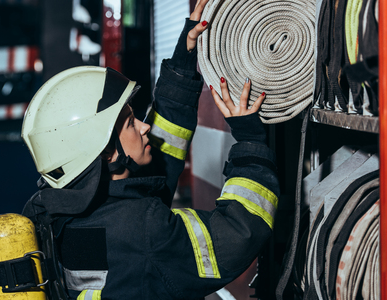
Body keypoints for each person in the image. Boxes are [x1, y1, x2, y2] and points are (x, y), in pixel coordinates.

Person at [21, 0, 279, 299]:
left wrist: (183, 59)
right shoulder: (141, 231)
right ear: (106, 152)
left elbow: (157, 163)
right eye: (131, 122)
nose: (145, 128)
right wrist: (251, 142)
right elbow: (239, 234)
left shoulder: (60, 212)